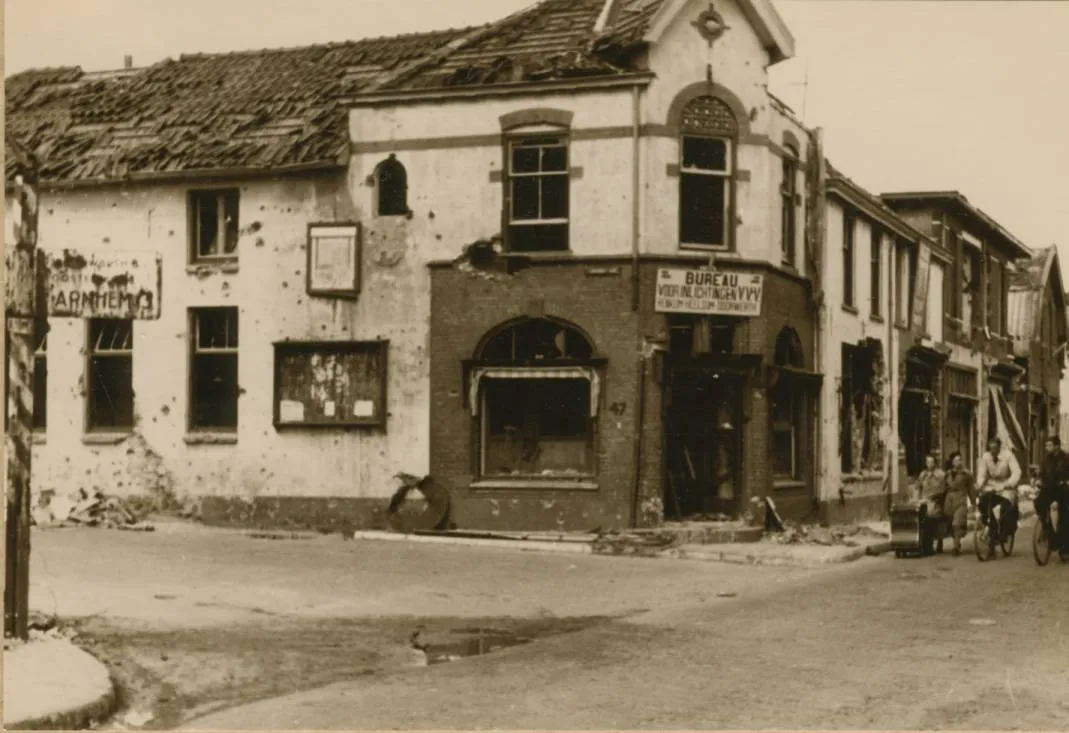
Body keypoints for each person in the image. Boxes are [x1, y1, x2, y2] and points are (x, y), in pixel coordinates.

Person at [975, 436, 1022, 540]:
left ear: (1000, 448)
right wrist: (980, 485)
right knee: (983, 503)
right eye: (990, 449)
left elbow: (1016, 472)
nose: (993, 451)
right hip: (991, 487)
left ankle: (1003, 531)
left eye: (995, 448)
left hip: (1006, 487)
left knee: (1006, 508)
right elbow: (981, 473)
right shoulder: (986, 457)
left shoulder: (1008, 455)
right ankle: (991, 525)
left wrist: (1009, 483)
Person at [1035, 436, 1069, 560]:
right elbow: (1041, 472)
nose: (1047, 448)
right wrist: (1038, 480)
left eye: (1049, 445)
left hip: (1062, 491)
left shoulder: (1066, 458)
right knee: (1038, 502)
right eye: (1046, 445)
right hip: (1048, 490)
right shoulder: (1045, 459)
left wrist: (1066, 482)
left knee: (1065, 515)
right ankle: (1046, 526)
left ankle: (1065, 547)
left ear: (1057, 446)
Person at [943, 451, 976, 556]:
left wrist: (974, 503)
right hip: (949, 502)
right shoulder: (947, 474)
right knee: (950, 524)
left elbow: (971, 489)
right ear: (952, 462)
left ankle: (956, 547)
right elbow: (943, 489)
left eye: (960, 459)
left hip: (961, 500)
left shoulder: (966, 474)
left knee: (957, 523)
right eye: (956, 460)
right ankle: (956, 541)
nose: (959, 462)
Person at [915, 454, 946, 518]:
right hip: (923, 502)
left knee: (931, 513)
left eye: (931, 462)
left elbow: (941, 491)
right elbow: (918, 488)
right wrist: (918, 499)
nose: (929, 464)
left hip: (935, 502)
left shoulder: (941, 474)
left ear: (935, 463)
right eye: (928, 462)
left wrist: (928, 499)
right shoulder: (923, 474)